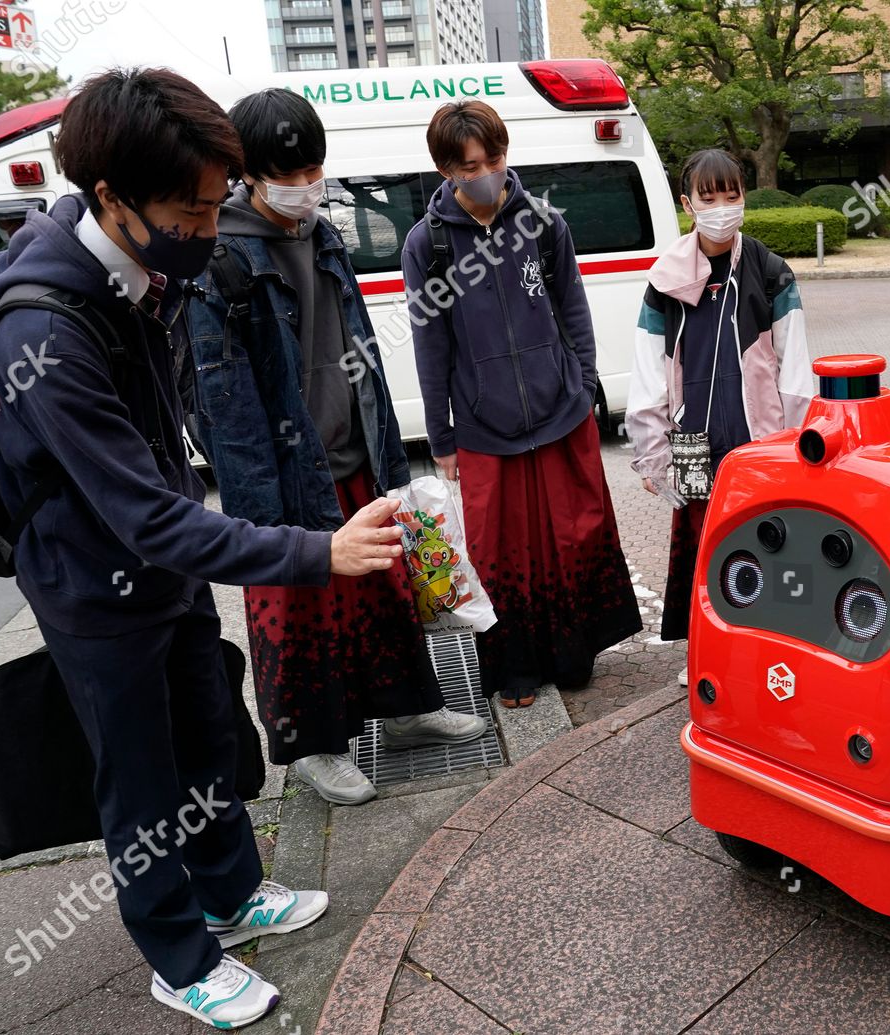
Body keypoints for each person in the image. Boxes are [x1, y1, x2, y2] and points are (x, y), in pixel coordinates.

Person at [0, 68, 408, 1030]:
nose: (210, 230)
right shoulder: (41, 332)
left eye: (219, 206)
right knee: (138, 778)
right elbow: (145, 515)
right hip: (95, 590)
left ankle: (230, 893)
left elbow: (177, 456)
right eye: (191, 210)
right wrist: (315, 550)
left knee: (209, 732)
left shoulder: (148, 277)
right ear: (110, 199)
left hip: (167, 577)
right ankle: (177, 954)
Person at [183, 88, 484, 808]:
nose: (306, 185)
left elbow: (361, 353)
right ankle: (315, 748)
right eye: (289, 173)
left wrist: (384, 452)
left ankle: (409, 712)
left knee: (384, 595)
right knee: (298, 615)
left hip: (351, 455)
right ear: (247, 174)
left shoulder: (321, 233)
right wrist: (261, 517)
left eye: (313, 167)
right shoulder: (218, 258)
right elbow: (225, 407)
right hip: (285, 475)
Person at [400, 100, 641, 708]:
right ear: (445, 169)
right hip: (483, 426)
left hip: (560, 414)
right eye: (472, 165)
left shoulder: (543, 222)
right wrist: (442, 438)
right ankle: (516, 670)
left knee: (569, 537)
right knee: (499, 553)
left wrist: (584, 389)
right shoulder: (426, 245)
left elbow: (573, 310)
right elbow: (430, 347)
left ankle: (574, 655)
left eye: (496, 158)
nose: (489, 173)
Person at [626, 149, 814, 685]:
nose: (722, 208)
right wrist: (651, 454)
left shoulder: (771, 271)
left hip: (761, 439)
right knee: (703, 547)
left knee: (767, 541)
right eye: (708, 198)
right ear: (688, 205)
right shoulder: (664, 280)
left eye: (731, 195)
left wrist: (795, 445)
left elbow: (795, 371)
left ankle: (770, 648)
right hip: (692, 442)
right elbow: (648, 369)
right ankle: (707, 654)